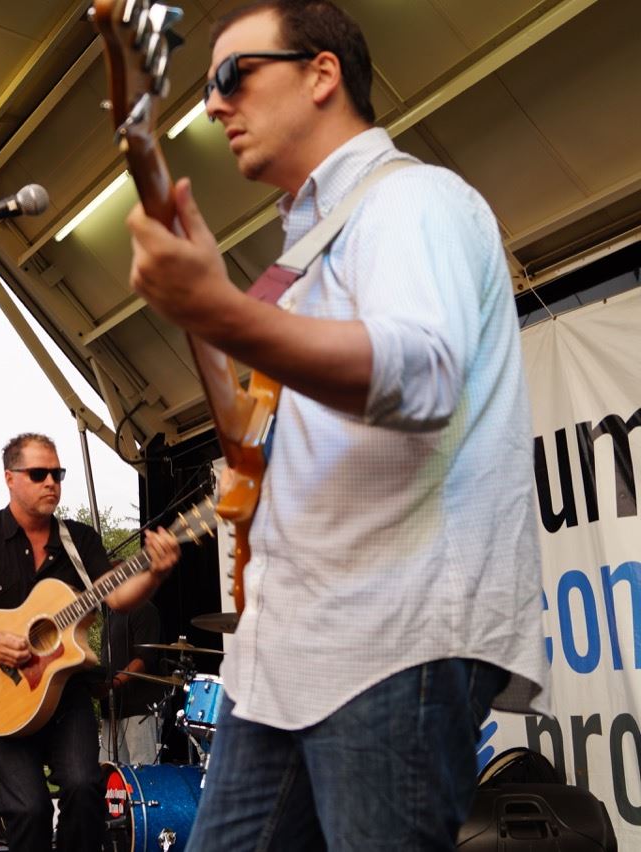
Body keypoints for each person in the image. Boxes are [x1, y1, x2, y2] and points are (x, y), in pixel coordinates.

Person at [124, 1, 549, 848]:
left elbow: (422, 374)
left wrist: (222, 311)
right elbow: (260, 440)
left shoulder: (413, 200)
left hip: (394, 628)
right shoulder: (306, 249)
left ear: (322, 73)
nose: (212, 105)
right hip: (288, 644)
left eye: (231, 76)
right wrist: (214, 311)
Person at [0, 433, 180, 852]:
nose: (51, 482)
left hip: (65, 694)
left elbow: (118, 598)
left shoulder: (80, 541)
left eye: (57, 473)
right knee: (30, 811)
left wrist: (155, 572)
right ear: (10, 478)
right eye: (39, 474)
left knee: (86, 788)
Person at [97, 599, 162, 765]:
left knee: (142, 774)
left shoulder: (144, 609)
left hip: (140, 709)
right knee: (109, 776)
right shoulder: (110, 617)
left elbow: (145, 659)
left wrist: (115, 682)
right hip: (112, 710)